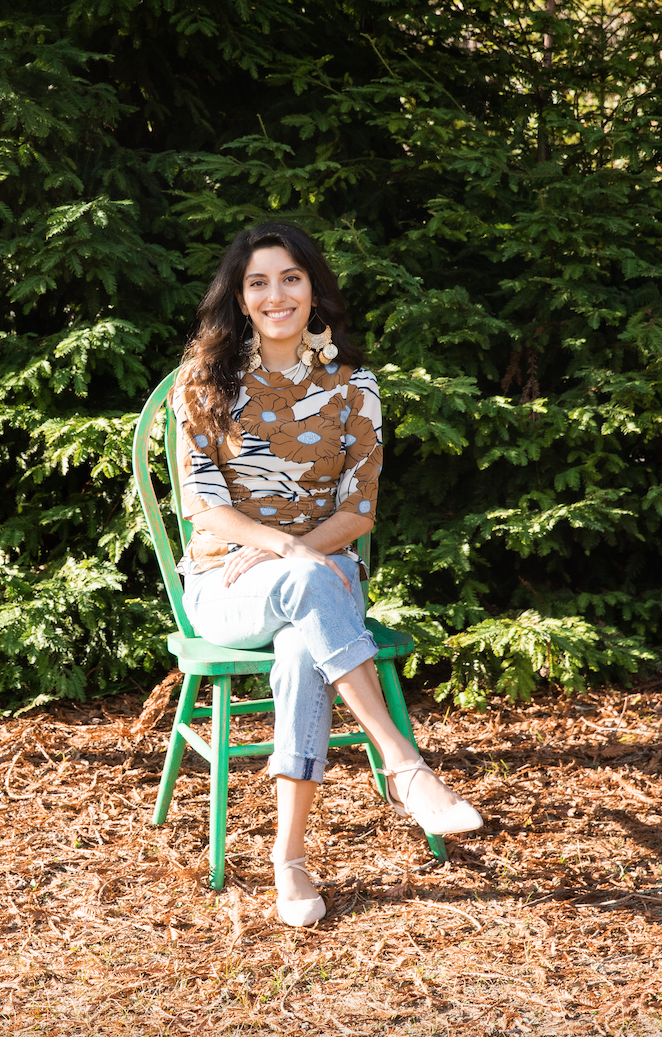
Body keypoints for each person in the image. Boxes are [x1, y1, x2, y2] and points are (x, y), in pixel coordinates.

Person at [173, 222, 482, 928]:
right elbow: (204, 508)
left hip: (320, 582)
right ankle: (404, 764)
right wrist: (286, 550)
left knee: (299, 648)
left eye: (291, 278)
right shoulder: (204, 384)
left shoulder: (353, 387)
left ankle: (288, 859)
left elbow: (358, 511)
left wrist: (299, 553)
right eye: (258, 282)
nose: (276, 295)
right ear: (240, 299)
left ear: (313, 289)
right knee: (309, 582)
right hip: (227, 585)